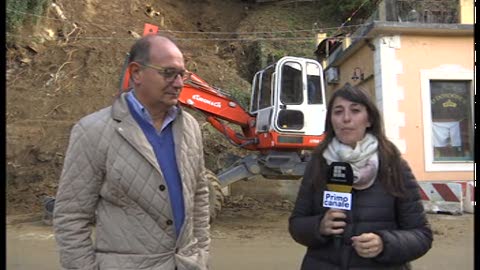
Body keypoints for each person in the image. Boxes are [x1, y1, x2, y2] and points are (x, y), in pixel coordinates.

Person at [53, 34, 210, 270]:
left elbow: (199, 197)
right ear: (136, 73)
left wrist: (201, 255)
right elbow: (71, 216)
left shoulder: (190, 128)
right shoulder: (92, 131)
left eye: (181, 74)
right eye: (168, 73)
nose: (179, 83)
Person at [289, 83, 433, 269]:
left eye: (355, 111)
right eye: (338, 112)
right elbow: (296, 225)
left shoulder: (394, 165)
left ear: (369, 120)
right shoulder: (318, 164)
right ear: (331, 120)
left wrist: (385, 243)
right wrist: (319, 226)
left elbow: (421, 235)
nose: (346, 119)